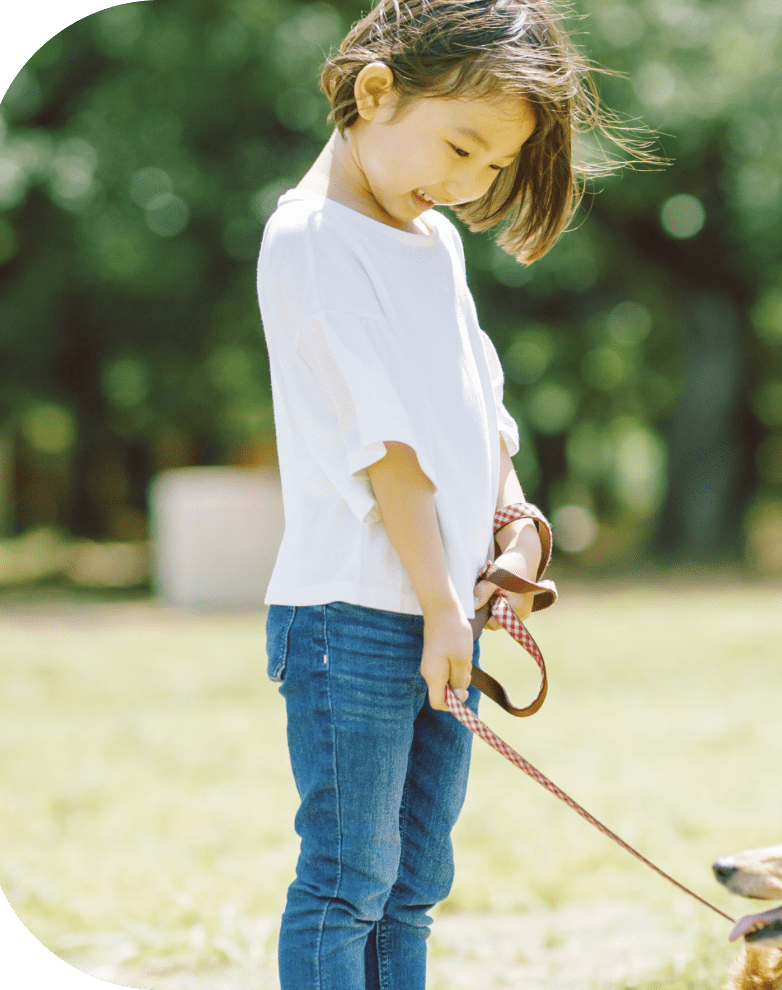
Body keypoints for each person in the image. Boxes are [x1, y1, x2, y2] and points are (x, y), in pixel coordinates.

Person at [254, 2, 642, 986]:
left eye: (493, 168)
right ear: (376, 93)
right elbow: (390, 455)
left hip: (441, 613)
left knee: (415, 882)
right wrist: (438, 607)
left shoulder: (434, 244)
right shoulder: (312, 240)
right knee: (349, 879)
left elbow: (479, 415)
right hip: (357, 617)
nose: (469, 185)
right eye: (460, 147)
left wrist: (515, 530)